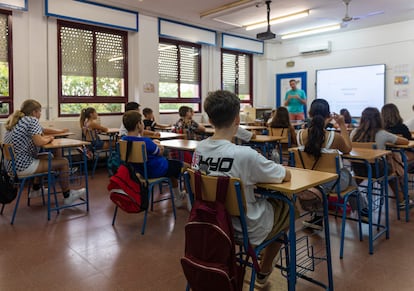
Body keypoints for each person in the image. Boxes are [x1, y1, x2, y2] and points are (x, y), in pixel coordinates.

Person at [191, 90, 292, 284]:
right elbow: (283, 175)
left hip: (211, 224)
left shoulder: (200, 149)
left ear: (210, 120)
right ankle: (264, 268)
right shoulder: (246, 155)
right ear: (237, 119)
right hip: (246, 229)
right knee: (290, 207)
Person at [296, 99, 366, 230]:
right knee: (347, 175)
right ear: (328, 115)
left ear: (310, 114)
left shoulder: (299, 135)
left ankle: (318, 218)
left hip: (309, 182)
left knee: (327, 180)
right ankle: (363, 210)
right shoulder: (333, 137)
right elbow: (348, 149)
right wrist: (342, 124)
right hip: (333, 185)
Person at [3, 99, 85, 204]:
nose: (40, 114)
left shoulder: (18, 121)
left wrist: (60, 131)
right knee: (64, 162)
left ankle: (36, 189)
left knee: (49, 156)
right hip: (22, 166)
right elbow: (39, 141)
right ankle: (68, 196)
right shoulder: (32, 120)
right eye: (40, 111)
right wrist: (49, 139)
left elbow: (43, 130)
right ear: (34, 112)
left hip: (10, 166)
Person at [121, 110, 189, 209]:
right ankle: (189, 201)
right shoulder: (146, 142)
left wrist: (153, 143)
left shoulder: (124, 141)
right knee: (188, 168)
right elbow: (160, 152)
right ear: (139, 125)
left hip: (142, 172)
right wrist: (158, 145)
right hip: (159, 169)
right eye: (141, 122)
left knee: (172, 173)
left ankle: (178, 198)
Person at [351, 107, 411, 208]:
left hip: (358, 169)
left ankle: (352, 195)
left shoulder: (354, 133)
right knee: (392, 172)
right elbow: (405, 141)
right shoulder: (382, 134)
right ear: (379, 119)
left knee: (361, 174)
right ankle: (402, 201)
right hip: (377, 171)